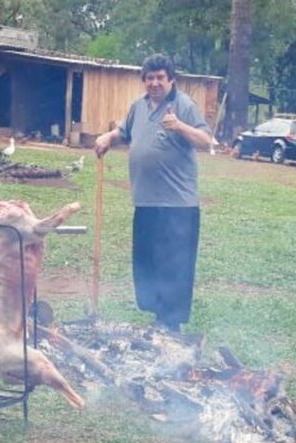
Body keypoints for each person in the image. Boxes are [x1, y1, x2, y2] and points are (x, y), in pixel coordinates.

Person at [94, 54, 213, 332]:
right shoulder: (138, 106)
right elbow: (123, 131)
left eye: (160, 77)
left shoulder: (183, 105)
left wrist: (180, 126)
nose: (155, 82)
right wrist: (108, 137)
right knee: (147, 263)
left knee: (174, 266)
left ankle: (171, 325)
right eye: (149, 77)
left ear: (171, 79)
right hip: (145, 202)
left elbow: (206, 141)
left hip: (178, 206)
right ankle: (156, 317)